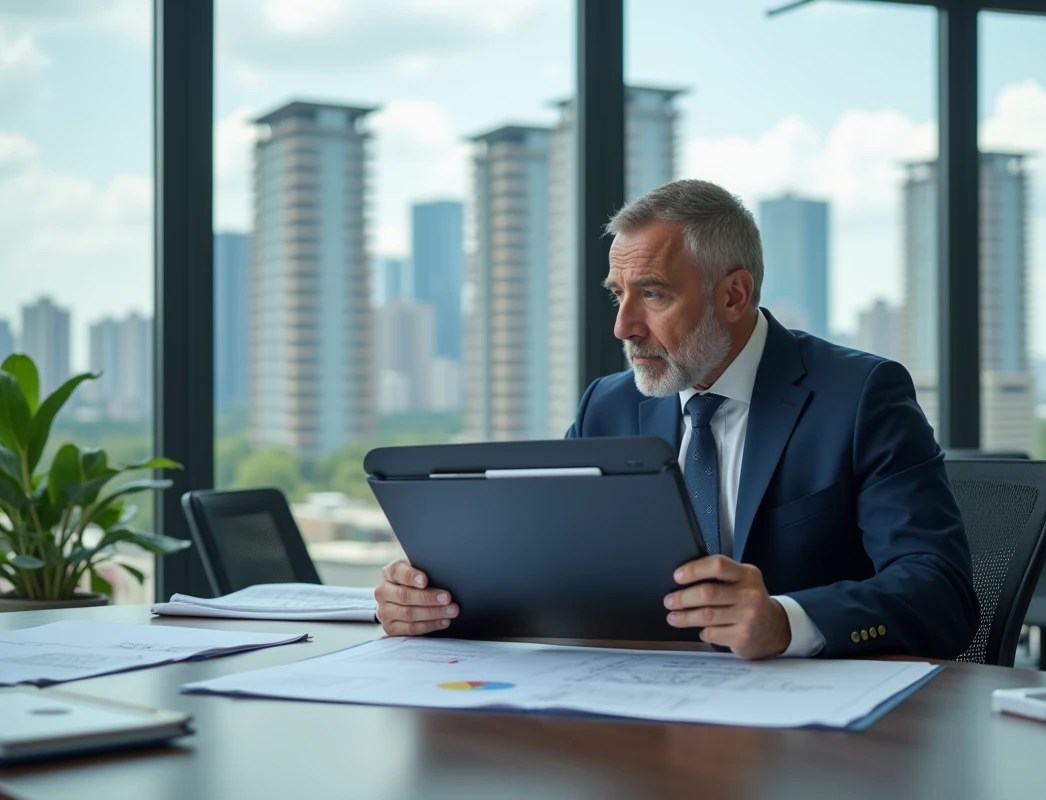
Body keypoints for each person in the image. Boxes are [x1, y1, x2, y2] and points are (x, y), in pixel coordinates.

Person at [375, 179, 979, 660]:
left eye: (654, 294)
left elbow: (939, 594)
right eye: (618, 294)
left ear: (734, 295)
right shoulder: (607, 406)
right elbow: (543, 566)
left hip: (811, 740)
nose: (623, 326)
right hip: (637, 711)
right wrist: (435, 602)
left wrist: (784, 620)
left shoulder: (860, 395)